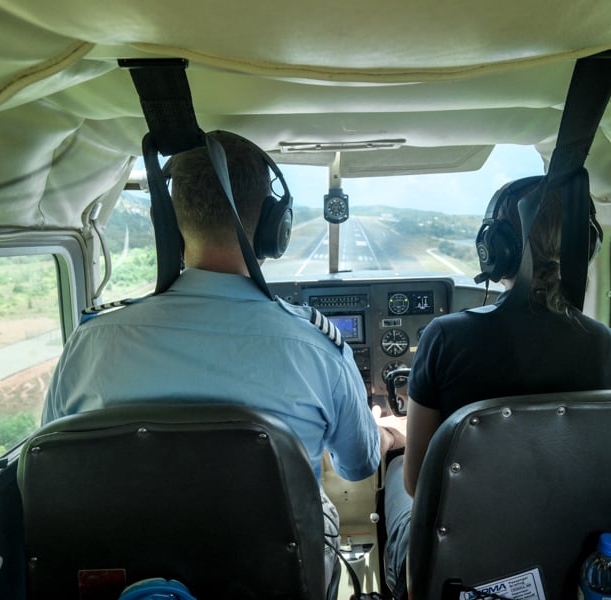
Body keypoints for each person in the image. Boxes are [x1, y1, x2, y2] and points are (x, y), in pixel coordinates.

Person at [42, 131, 402, 588]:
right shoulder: (315, 347)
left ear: (168, 226)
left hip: (131, 581)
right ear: (275, 229)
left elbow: (49, 462)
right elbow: (357, 465)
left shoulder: (89, 343)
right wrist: (388, 432)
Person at [381, 179, 611, 599]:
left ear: (495, 248)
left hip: (464, 573)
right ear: (588, 247)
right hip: (577, 570)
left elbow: (421, 485)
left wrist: (398, 437)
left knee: (397, 472)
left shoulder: (445, 338)